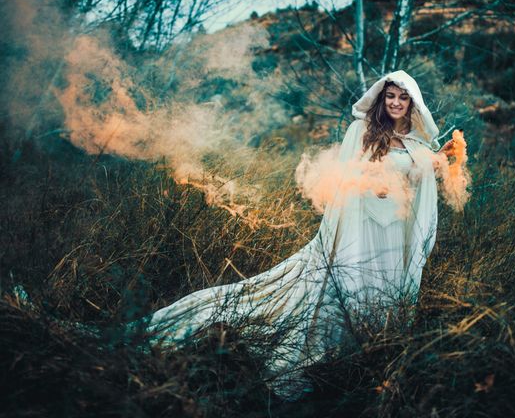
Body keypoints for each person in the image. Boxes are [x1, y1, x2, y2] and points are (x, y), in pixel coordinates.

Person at [129, 70, 455, 399]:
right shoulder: (362, 131)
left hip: (394, 233)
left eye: (402, 97)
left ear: (412, 102)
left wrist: (440, 161)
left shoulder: (415, 142)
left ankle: (367, 361)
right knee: (338, 289)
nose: (396, 103)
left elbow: (417, 183)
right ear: (381, 99)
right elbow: (344, 180)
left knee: (384, 297)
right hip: (361, 227)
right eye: (390, 96)